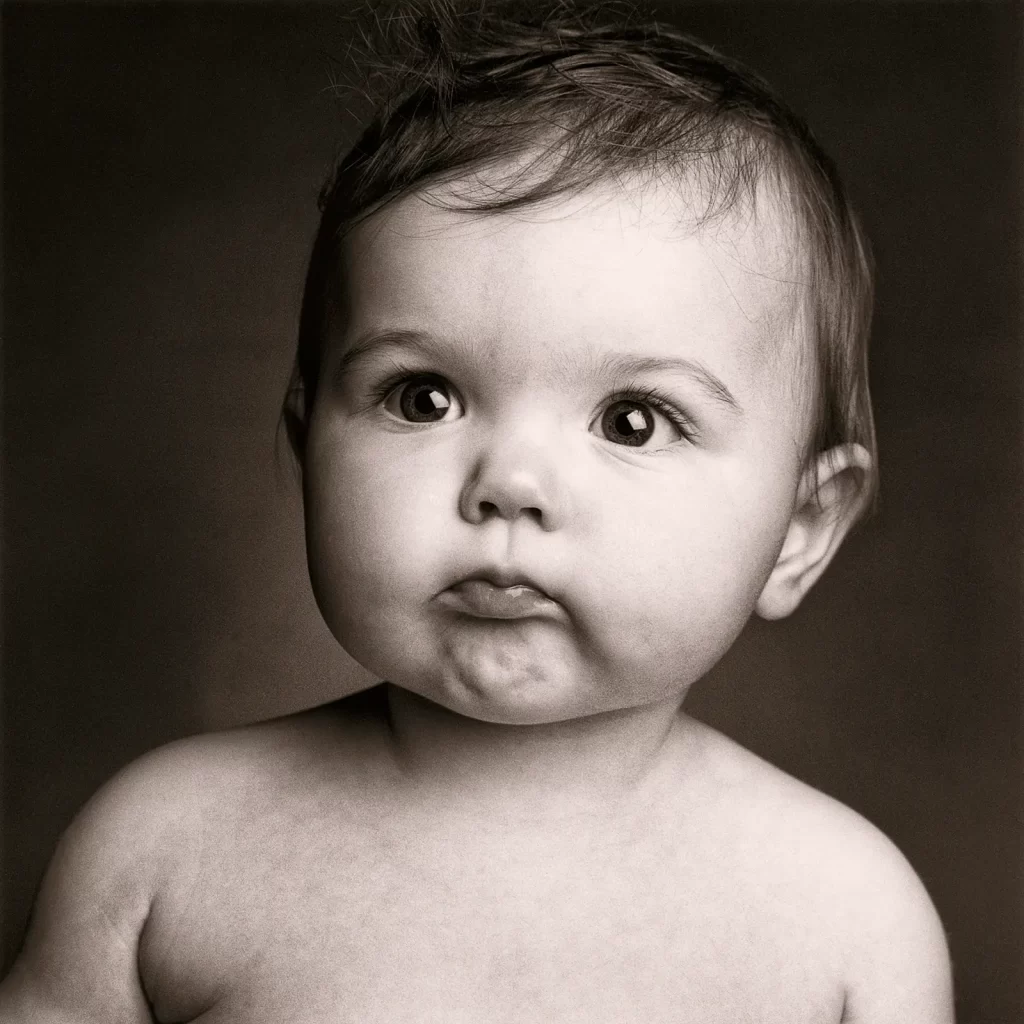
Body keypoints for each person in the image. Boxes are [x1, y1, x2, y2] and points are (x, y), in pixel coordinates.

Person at [0, 4, 954, 1021]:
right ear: (308, 446)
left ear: (801, 530)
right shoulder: (162, 851)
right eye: (424, 398)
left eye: (631, 420)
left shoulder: (848, 923)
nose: (511, 481)